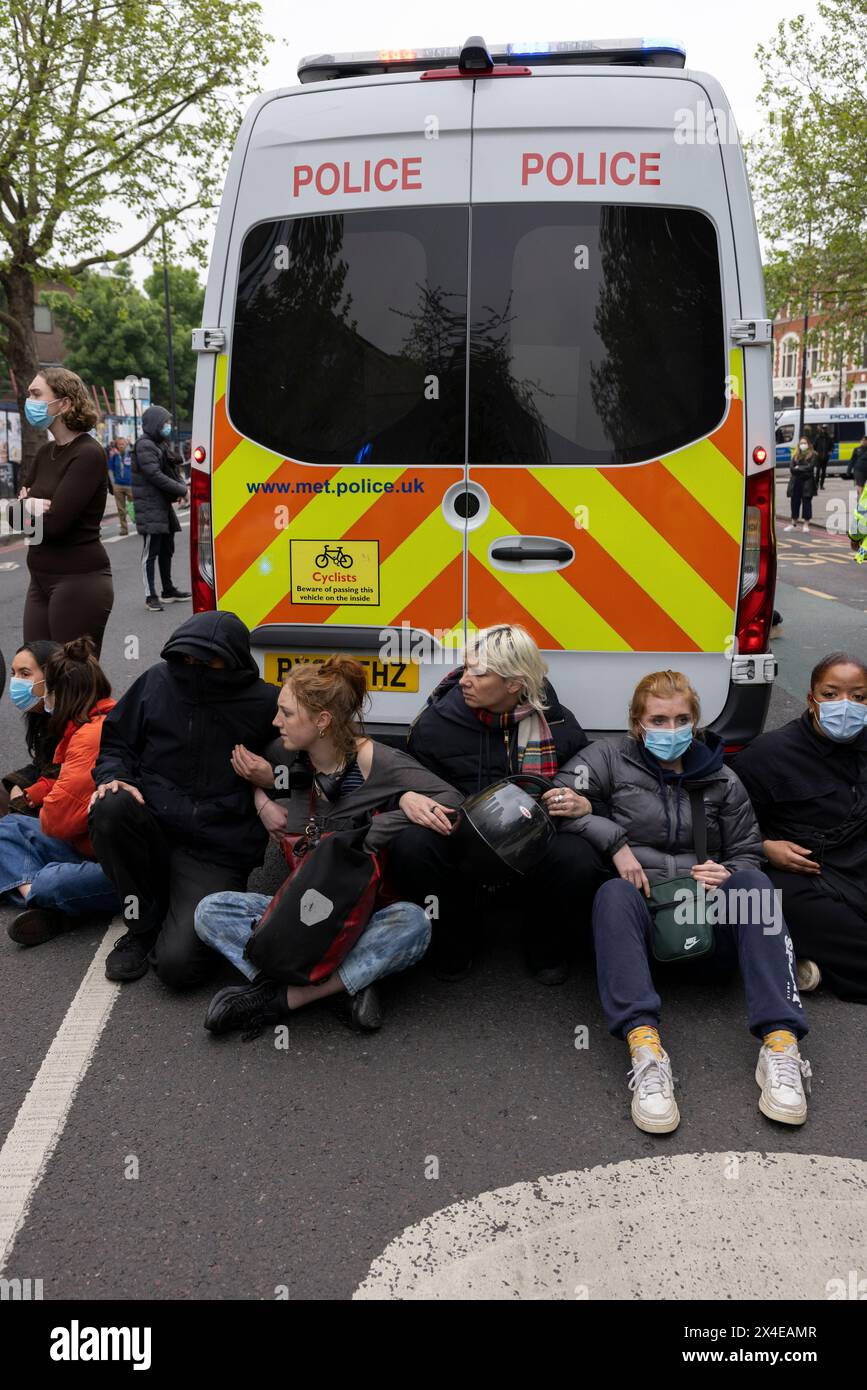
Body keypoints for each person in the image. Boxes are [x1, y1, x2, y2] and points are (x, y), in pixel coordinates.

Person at [556, 669, 811, 1134]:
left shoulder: (722, 778)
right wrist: (614, 840)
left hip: (707, 920)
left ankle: (780, 1045)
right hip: (644, 922)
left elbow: (749, 852)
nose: (670, 730)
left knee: (755, 888)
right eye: (658, 720)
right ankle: (646, 1050)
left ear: (694, 722)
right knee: (612, 892)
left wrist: (730, 872)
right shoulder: (608, 758)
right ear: (637, 723)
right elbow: (557, 801)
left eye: (680, 720)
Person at [195, 656, 463, 1038]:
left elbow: (452, 800)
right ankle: (342, 984)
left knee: (415, 923)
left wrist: (400, 805)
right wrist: (261, 799)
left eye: (286, 713)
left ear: (322, 722)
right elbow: (273, 780)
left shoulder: (376, 761)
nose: (276, 721)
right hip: (300, 910)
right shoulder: (290, 758)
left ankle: (279, 998)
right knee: (210, 910)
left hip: (358, 914)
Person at [386, 623, 604, 983]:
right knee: (411, 846)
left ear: (514, 684)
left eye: (479, 672)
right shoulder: (436, 724)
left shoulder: (559, 723)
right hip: (461, 837)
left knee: (578, 857)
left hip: (532, 841)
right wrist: (404, 796)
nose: (464, 680)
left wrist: (585, 804)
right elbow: (398, 777)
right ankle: (454, 940)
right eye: (466, 667)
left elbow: (596, 785)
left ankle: (544, 945)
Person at [88, 612, 280, 988]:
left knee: (179, 970)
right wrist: (115, 777)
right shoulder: (157, 682)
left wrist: (274, 777)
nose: (195, 669)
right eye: (188, 659)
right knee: (110, 803)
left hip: (215, 850)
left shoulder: (267, 702)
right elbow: (116, 744)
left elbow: (313, 762)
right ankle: (141, 926)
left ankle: (170, 907)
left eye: (209, 662)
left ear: (236, 661)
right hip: (154, 828)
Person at [731, 653, 867, 1005]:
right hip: (807, 875)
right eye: (831, 694)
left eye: (858, 697)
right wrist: (765, 847)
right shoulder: (769, 754)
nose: (845, 706)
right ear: (811, 699)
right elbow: (726, 823)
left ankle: (817, 966)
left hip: (859, 865)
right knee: (768, 898)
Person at [0, 637, 120, 946]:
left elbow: (56, 820)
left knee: (54, 880)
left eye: (28, 676)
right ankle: (43, 898)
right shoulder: (81, 725)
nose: (41, 698)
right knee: (8, 829)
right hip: (94, 845)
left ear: (63, 693)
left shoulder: (88, 736)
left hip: (123, 864)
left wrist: (43, 796)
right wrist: (39, 792)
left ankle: (40, 896)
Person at [21, 369, 114, 656]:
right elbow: (14, 521)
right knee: (35, 676)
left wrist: (27, 506)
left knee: (72, 681)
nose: (29, 401)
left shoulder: (87, 454)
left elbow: (55, 525)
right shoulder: (45, 453)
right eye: (28, 395)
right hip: (39, 580)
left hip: (78, 581)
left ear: (65, 403)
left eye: (37, 395)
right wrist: (29, 507)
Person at [131, 404, 190, 613]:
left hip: (162, 505)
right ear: (155, 423)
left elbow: (169, 468)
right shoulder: (145, 445)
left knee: (167, 548)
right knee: (151, 552)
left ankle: (168, 590)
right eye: (165, 422)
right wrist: (182, 490)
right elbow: (154, 475)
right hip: (150, 505)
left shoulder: (159, 444)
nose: (168, 426)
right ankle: (150, 596)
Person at [1, 640, 61, 817]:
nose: (15, 682)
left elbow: (63, 779)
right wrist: (18, 786)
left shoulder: (74, 722)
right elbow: (41, 765)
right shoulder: (43, 715)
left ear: (51, 678)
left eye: (25, 674)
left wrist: (24, 797)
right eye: (13, 673)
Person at [783, 437, 817, 533]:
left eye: (805, 443)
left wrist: (798, 468)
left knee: (806, 503)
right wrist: (800, 468)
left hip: (807, 482)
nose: (803, 445)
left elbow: (810, 467)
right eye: (801, 443)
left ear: (808, 444)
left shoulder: (813, 455)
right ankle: (793, 523)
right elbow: (791, 468)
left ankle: (806, 524)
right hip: (796, 482)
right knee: (794, 502)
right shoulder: (795, 455)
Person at [107, 434, 134, 535]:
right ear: (117, 445)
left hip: (130, 485)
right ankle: (124, 529)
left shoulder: (131, 455)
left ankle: (139, 523)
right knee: (121, 509)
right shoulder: (114, 456)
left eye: (123, 444)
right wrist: (113, 483)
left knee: (134, 506)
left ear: (126, 444)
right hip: (118, 486)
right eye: (119, 444)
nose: (121, 446)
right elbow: (110, 470)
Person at [812, 424, 832, 491]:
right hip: (818, 458)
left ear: (827, 429)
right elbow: (813, 446)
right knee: (818, 471)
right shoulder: (818, 437)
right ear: (821, 429)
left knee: (824, 472)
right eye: (823, 428)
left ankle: (821, 485)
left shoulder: (829, 438)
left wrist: (830, 451)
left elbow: (832, 446)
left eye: (825, 428)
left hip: (825, 458)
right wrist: (815, 452)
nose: (824, 429)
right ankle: (816, 484)